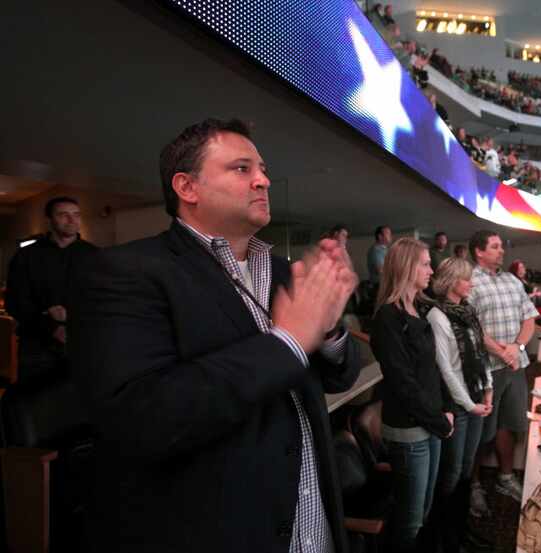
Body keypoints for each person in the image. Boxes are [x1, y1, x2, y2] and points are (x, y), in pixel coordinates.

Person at [68, 119, 360, 553]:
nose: (263, 180)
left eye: (262, 168)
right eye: (242, 169)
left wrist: (331, 327)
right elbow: (143, 419)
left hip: (312, 528)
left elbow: (338, 378)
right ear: (188, 188)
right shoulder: (126, 272)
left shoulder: (284, 273)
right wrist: (289, 340)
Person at [370, 237, 454, 553]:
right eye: (425, 263)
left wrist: (445, 410)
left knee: (424, 509)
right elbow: (403, 384)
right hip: (409, 431)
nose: (431, 270)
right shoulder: (387, 318)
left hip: (429, 424)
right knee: (409, 522)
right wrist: (440, 420)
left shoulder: (417, 308)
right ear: (406, 267)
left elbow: (431, 371)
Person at [466, 230, 539, 513]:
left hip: (515, 366)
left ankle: (505, 477)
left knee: (509, 424)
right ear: (479, 252)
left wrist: (518, 348)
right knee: (482, 433)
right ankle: (473, 485)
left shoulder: (512, 280)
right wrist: (503, 351)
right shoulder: (469, 283)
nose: (501, 251)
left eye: (501, 246)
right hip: (487, 371)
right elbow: (472, 328)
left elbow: (530, 319)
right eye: (494, 247)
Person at [426, 257, 493, 552]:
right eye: (467, 279)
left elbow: (480, 353)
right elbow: (446, 369)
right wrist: (468, 404)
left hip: (477, 398)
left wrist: (488, 387)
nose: (472, 283)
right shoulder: (437, 316)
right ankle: (446, 537)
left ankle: (462, 532)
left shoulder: (468, 310)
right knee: (452, 474)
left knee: (467, 471)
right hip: (458, 406)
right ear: (453, 282)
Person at [6, 196, 97, 385]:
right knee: (34, 406)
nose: (72, 220)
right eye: (64, 215)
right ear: (49, 220)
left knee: (80, 405)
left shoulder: (95, 255)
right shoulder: (27, 256)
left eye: (76, 215)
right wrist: (51, 327)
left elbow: (104, 298)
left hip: (83, 345)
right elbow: (14, 302)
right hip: (36, 347)